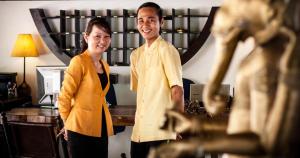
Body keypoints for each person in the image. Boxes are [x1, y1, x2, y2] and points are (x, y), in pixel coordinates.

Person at [130, 2, 184, 158]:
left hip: (161, 131)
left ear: (161, 22)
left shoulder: (167, 49)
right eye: (141, 20)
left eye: (151, 19)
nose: (145, 25)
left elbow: (177, 90)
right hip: (139, 131)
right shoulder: (135, 55)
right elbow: (142, 94)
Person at [58, 17, 114, 158]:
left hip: (100, 126)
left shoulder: (105, 66)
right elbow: (64, 96)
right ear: (86, 37)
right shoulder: (78, 62)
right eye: (97, 36)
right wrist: (67, 124)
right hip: (79, 128)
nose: (102, 41)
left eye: (106, 36)